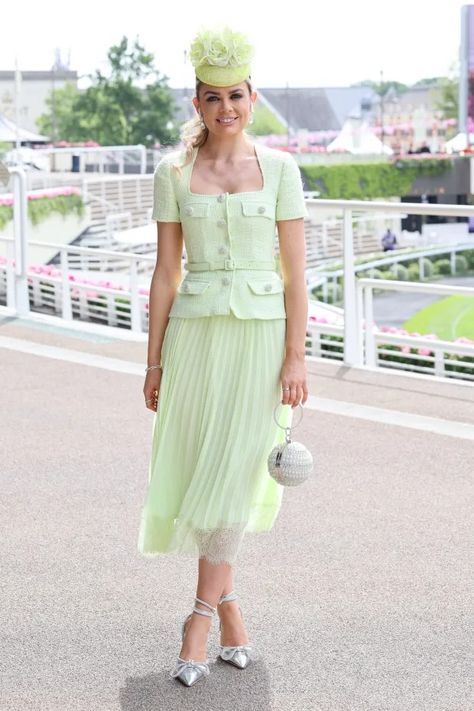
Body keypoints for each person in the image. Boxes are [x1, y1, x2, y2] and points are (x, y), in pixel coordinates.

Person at [136, 25, 309, 687]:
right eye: (213, 97)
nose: (226, 107)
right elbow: (164, 274)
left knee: (237, 474)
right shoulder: (173, 173)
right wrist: (152, 362)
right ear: (197, 104)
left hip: (262, 341)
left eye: (236, 94)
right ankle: (230, 610)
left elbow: (297, 274)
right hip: (197, 338)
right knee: (204, 468)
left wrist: (297, 357)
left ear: (253, 96)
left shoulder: (283, 170)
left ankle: (200, 618)